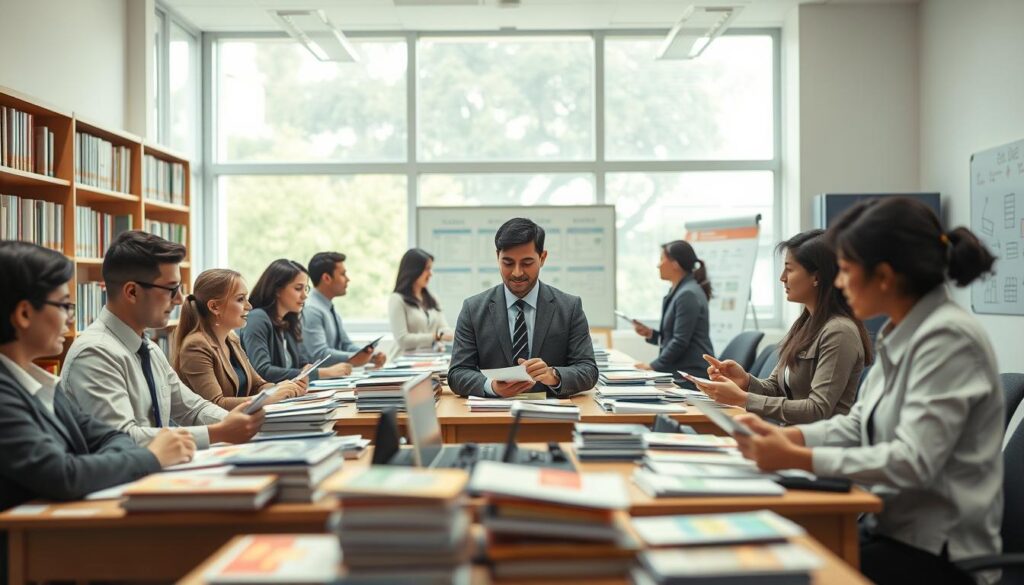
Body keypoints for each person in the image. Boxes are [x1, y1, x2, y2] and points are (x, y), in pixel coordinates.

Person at [731, 198, 1002, 585]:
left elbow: (913, 460)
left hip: (938, 551)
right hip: (891, 530)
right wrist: (788, 436)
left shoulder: (948, 338)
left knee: (779, 570)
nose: (839, 282)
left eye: (844, 270)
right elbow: (858, 424)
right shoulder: (901, 333)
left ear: (885, 277)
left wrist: (801, 458)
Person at [0, 241, 194, 511]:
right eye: (64, 305)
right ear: (23, 313)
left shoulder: (43, 386)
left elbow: (111, 437)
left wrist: (99, 464)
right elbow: (64, 475)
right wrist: (151, 456)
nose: (70, 319)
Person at [61, 231, 264, 449]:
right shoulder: (95, 353)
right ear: (132, 292)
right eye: (171, 289)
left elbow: (192, 408)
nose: (179, 299)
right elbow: (122, 437)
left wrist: (246, 422)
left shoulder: (148, 348)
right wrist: (217, 432)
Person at [691, 230, 872, 424]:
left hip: (816, 447)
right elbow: (776, 388)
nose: (782, 278)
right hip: (789, 438)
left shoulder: (839, 331)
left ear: (816, 277)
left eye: (790, 269)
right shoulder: (805, 324)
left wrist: (742, 399)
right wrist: (745, 381)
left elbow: (817, 409)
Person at [448, 217, 599, 398]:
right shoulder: (473, 309)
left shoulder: (569, 307)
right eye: (508, 263)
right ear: (498, 257)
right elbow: (457, 373)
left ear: (542, 258)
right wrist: (492, 387)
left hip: (551, 416)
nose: (517, 273)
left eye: (527, 263)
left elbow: (588, 370)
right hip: (493, 415)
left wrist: (554, 375)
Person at [171, 269, 306, 409]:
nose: (249, 306)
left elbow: (258, 385)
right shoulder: (196, 345)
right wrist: (270, 397)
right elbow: (214, 405)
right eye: (240, 299)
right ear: (214, 306)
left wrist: (283, 388)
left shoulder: (231, 338)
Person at [240, 259, 354, 383]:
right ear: (277, 290)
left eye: (306, 289)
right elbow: (262, 371)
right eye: (298, 288)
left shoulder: (288, 321)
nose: (305, 296)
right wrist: (324, 372)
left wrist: (307, 368)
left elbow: (302, 362)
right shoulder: (257, 318)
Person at [632, 240, 714, 382]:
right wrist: (651, 334)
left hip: (689, 376)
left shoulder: (687, 294)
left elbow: (680, 341)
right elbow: (674, 337)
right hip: (680, 371)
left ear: (675, 264)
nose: (658, 265)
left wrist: (652, 366)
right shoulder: (679, 291)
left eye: (662, 259)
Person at [302, 251, 386, 368]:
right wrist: (352, 358)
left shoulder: (328, 307)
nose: (348, 279)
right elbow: (319, 354)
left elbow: (346, 345)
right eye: (343, 274)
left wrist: (370, 356)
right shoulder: (311, 310)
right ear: (326, 278)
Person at [388, 248, 453, 353]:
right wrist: (436, 336)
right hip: (404, 363)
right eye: (427, 269)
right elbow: (403, 340)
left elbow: (445, 329)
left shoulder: (432, 298)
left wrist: (444, 334)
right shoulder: (397, 299)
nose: (431, 274)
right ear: (414, 270)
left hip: (429, 361)